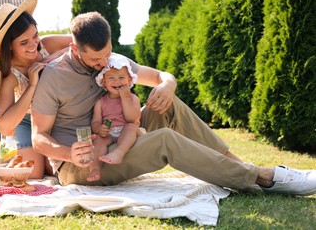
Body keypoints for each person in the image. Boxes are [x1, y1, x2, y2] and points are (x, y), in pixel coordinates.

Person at [31, 11, 316, 196]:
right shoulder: (54, 77)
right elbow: (38, 137)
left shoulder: (112, 63)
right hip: (83, 165)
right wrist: (69, 154)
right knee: (165, 140)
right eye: (95, 60)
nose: (103, 64)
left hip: (121, 137)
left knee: (168, 104)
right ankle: (265, 177)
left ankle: (243, 168)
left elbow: (159, 76)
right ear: (73, 49)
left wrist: (168, 85)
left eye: (107, 54)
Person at [0, 0, 72, 178]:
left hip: (57, 116)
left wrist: (49, 60)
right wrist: (32, 85)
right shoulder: (8, 75)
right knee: (33, 173)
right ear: (9, 46)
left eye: (35, 36)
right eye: (24, 42)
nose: (34, 45)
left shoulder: (47, 45)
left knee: (60, 169)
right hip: (26, 121)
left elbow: (84, 43)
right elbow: (4, 125)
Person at [87, 54, 146, 181]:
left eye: (121, 77)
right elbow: (95, 122)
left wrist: (125, 98)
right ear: (104, 81)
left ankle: (119, 153)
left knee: (130, 127)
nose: (117, 81)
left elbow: (133, 119)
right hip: (109, 134)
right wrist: (99, 128)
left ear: (130, 80)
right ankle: (95, 168)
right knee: (98, 140)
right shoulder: (101, 102)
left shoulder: (133, 98)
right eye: (111, 78)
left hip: (129, 132)